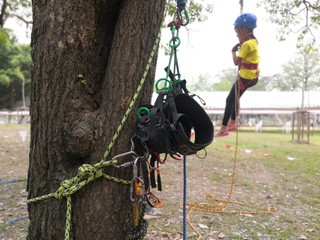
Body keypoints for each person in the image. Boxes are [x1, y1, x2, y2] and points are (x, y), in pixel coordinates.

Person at [216, 13, 260, 137]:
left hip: (246, 79)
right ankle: (233, 122)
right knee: (235, 98)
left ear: (244, 30)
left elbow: (236, 62)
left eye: (237, 31)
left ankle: (224, 128)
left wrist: (233, 51)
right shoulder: (253, 41)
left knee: (229, 100)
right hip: (251, 77)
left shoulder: (247, 44)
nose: (236, 34)